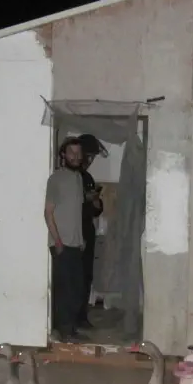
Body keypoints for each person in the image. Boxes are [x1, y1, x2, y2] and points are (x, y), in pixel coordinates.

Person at [45, 137, 87, 342]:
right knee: (65, 290)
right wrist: (58, 241)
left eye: (78, 153)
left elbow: (76, 212)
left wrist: (81, 238)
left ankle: (70, 328)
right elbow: (48, 213)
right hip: (61, 244)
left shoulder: (79, 178)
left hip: (76, 243)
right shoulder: (56, 179)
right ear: (63, 155)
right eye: (71, 153)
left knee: (77, 289)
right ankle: (64, 331)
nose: (76, 157)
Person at [76, 133, 106, 329]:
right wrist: (85, 199)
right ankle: (71, 319)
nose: (90, 161)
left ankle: (81, 317)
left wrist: (95, 201)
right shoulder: (70, 176)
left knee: (86, 275)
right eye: (88, 156)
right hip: (73, 232)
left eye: (92, 157)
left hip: (86, 229)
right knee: (74, 277)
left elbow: (95, 210)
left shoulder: (87, 177)